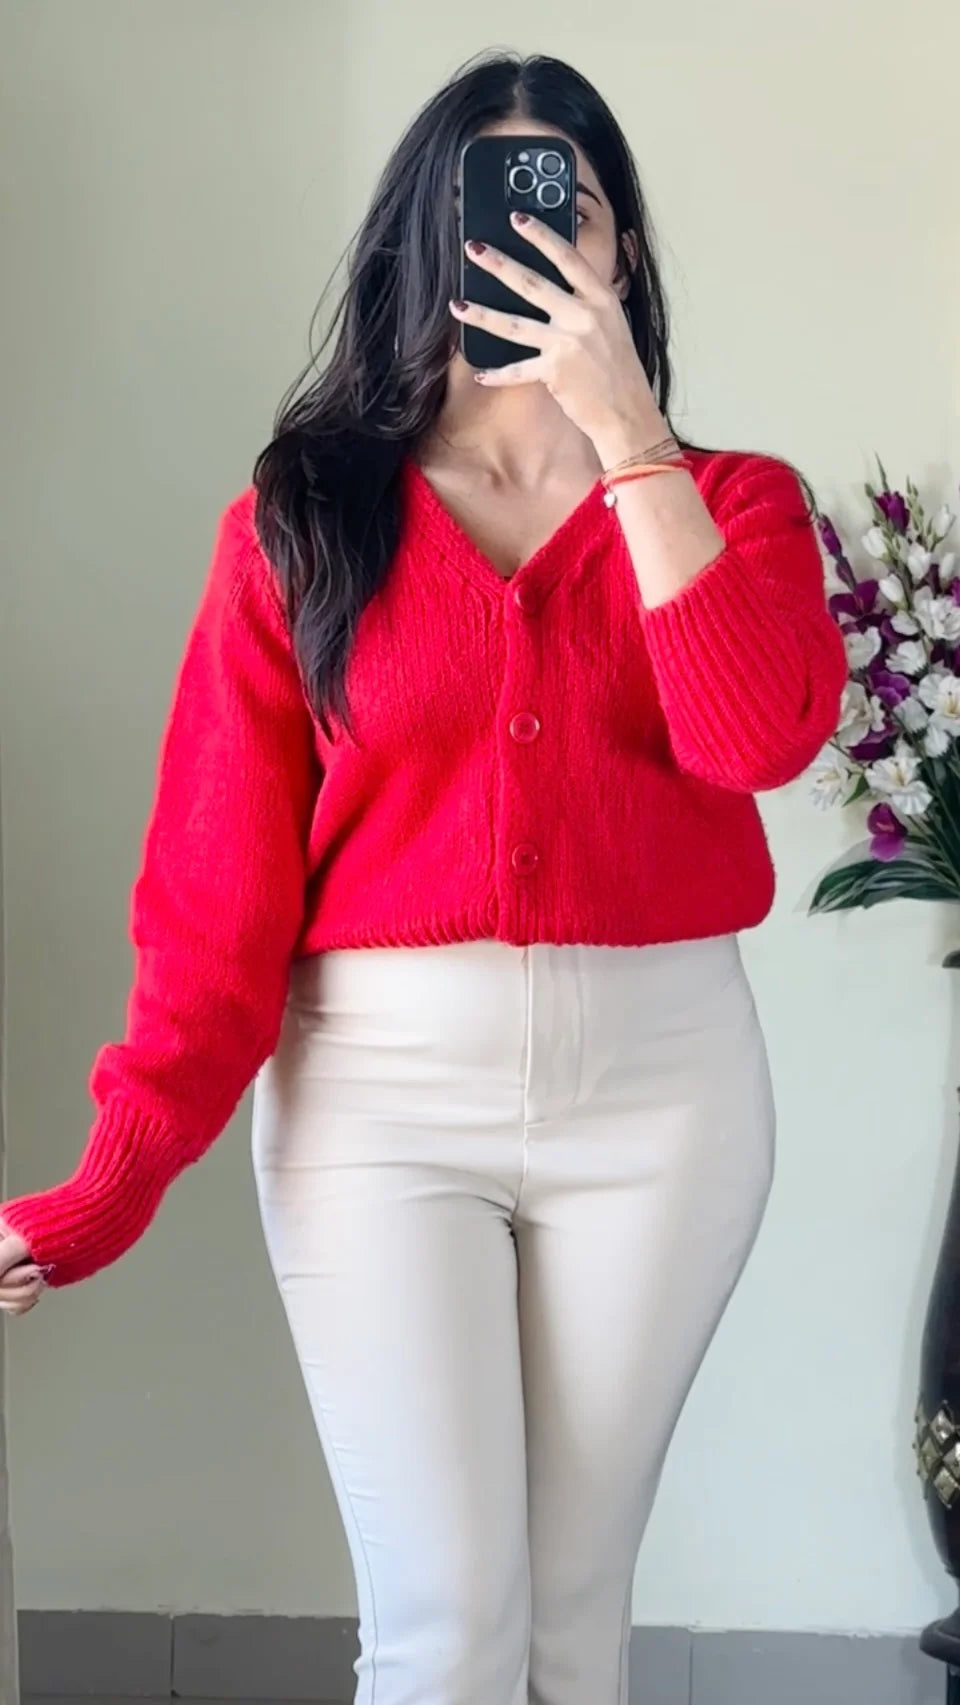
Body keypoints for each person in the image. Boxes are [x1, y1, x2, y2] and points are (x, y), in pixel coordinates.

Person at [0, 50, 845, 1705]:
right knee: (447, 1632)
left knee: (570, 1630)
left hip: (666, 1099)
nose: (527, 243)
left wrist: (630, 436)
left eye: (565, 210)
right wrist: (103, 1187)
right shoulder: (305, 522)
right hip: (376, 1104)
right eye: (489, 209)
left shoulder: (735, 503)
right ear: (422, 239)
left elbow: (755, 737)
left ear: (621, 248)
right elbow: (212, 911)